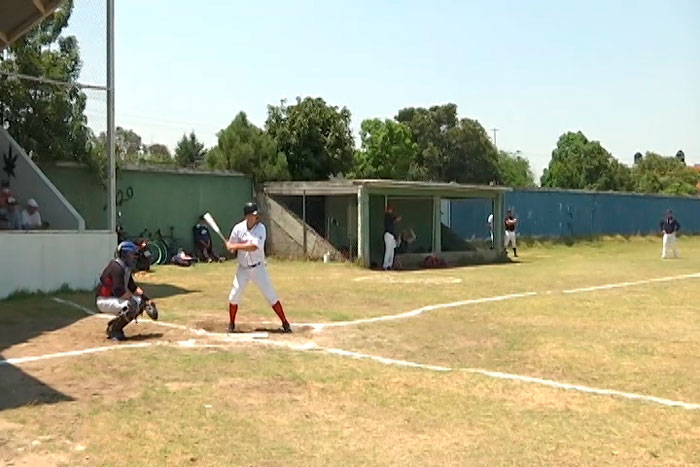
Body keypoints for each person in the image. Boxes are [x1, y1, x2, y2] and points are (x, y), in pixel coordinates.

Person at [226, 201, 291, 333]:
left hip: (258, 268)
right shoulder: (238, 228)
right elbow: (232, 246)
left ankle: (285, 322)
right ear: (247, 216)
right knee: (234, 296)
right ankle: (231, 324)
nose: (256, 217)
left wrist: (235, 246)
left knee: (271, 295)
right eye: (253, 215)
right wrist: (230, 247)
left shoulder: (261, 228)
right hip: (243, 268)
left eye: (256, 215)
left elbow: (254, 246)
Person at [95, 241, 158, 341]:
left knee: (139, 303)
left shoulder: (125, 268)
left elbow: (132, 287)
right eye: (132, 254)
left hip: (113, 298)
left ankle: (114, 325)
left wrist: (146, 300)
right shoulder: (116, 267)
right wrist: (136, 300)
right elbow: (118, 291)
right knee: (132, 305)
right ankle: (114, 330)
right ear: (124, 254)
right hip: (104, 300)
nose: (134, 257)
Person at [383, 205, 401, 270]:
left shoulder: (390, 216)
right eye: (390, 209)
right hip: (388, 235)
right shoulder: (387, 216)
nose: (391, 210)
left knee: (392, 251)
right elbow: (393, 219)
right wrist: (396, 219)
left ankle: (390, 265)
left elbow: (394, 219)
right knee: (388, 250)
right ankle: (385, 265)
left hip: (392, 236)